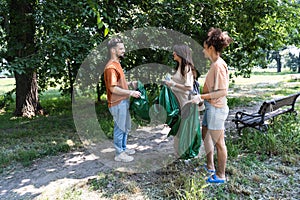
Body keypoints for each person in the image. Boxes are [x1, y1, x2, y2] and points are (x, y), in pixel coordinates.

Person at [192, 27, 233, 183]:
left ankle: (221, 176)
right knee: (205, 133)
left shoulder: (218, 65)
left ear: (210, 48)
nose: (203, 51)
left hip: (217, 109)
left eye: (204, 48)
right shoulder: (215, 64)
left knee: (219, 143)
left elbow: (223, 91)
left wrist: (201, 96)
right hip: (211, 107)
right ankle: (210, 166)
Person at [104, 38, 141, 162]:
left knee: (126, 127)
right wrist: (131, 92)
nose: (124, 51)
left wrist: (130, 83)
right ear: (113, 50)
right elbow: (113, 88)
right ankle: (119, 153)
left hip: (123, 101)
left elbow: (119, 83)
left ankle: (123, 148)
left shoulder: (117, 64)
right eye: (121, 49)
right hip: (117, 103)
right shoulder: (111, 68)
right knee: (120, 128)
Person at [165, 44, 194, 157]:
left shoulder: (187, 68)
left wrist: (173, 83)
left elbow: (189, 87)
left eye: (175, 52)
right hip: (177, 102)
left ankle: (183, 152)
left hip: (184, 102)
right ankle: (178, 152)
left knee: (182, 127)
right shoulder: (180, 66)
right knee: (178, 127)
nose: (173, 54)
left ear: (180, 54)